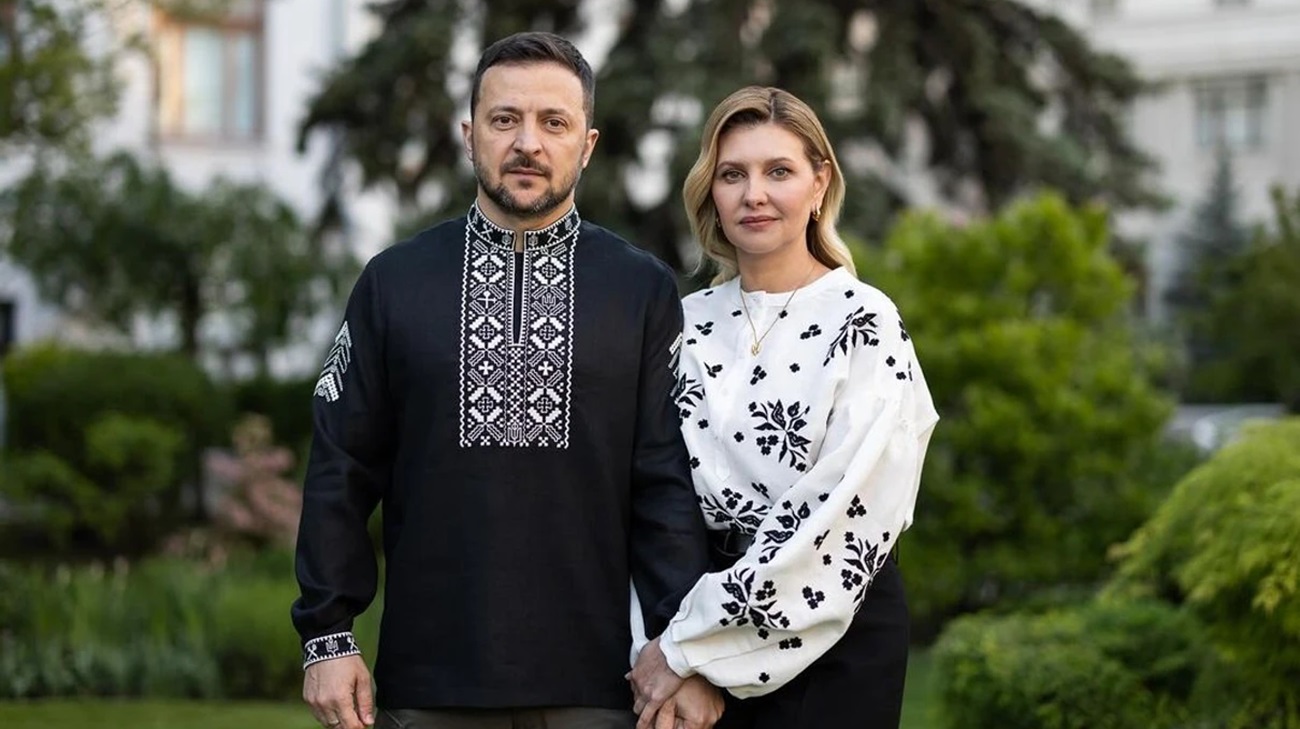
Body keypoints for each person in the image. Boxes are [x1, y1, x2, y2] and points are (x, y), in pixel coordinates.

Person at [292, 31, 718, 729]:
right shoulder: (395, 284)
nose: (528, 143)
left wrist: (684, 652)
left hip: (598, 685)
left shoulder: (640, 290)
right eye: (504, 119)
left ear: (587, 144)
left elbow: (665, 483)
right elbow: (340, 465)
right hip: (430, 681)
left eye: (554, 123)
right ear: (469, 136)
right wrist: (327, 633)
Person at [628, 86, 940, 729]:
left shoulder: (866, 321)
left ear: (819, 183)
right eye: (732, 175)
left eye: (779, 172)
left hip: (831, 632)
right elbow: (646, 491)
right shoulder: (685, 325)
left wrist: (694, 651)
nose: (754, 195)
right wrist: (668, 650)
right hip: (687, 615)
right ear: (710, 192)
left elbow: (842, 513)